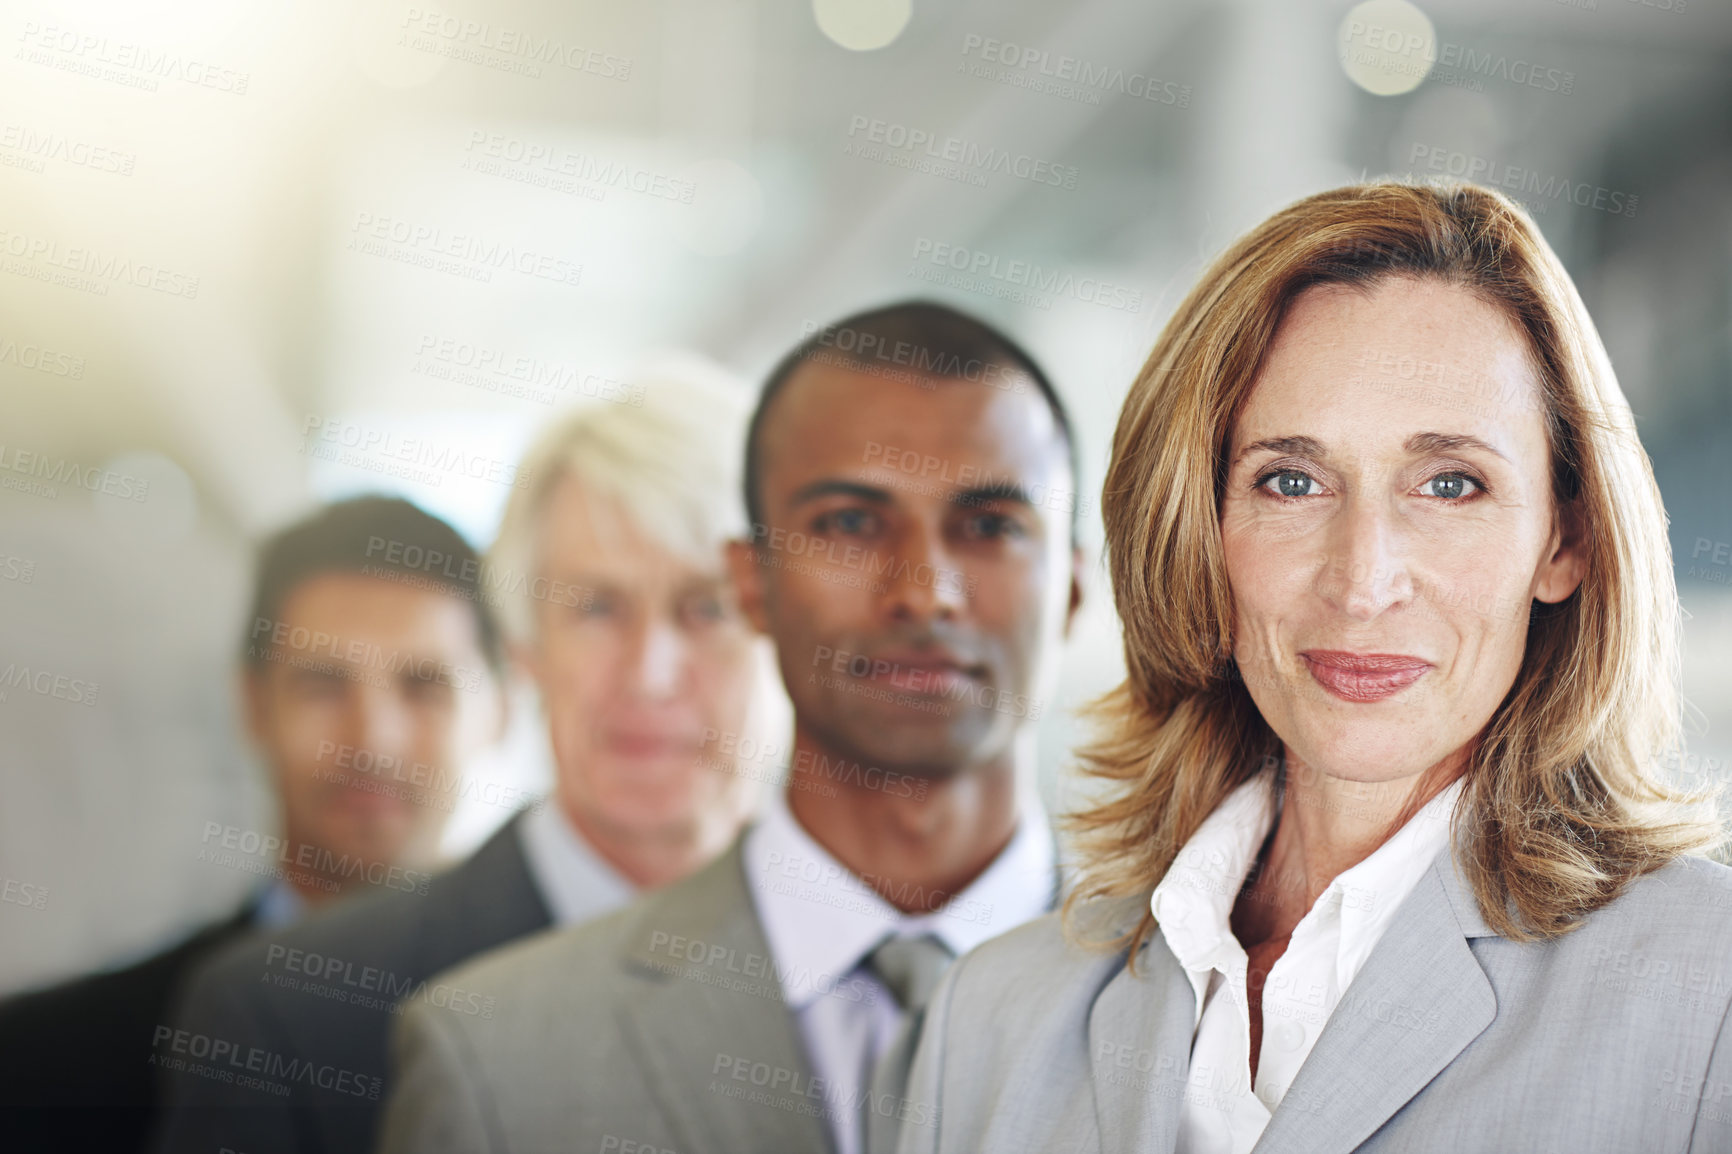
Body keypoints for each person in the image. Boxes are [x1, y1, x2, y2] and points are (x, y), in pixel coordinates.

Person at [891, 180, 1732, 1154]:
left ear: (1565, 539)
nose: (1361, 580)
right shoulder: (992, 1018)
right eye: (1289, 480)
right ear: (1197, 531)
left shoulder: (1707, 990)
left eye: (1450, 483)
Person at [377, 301, 1087, 1154]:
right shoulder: (494, 1061)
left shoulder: (1228, 1006)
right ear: (753, 583)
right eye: (852, 523)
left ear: (1076, 587)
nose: (924, 591)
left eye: (990, 527)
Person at [151, 359, 776, 1154]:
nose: (650, 673)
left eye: (708, 607)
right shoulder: (283, 1021)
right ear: (523, 647)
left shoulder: (903, 973)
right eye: (596, 606)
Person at [0, 495, 506, 1154]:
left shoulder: (567, 1028)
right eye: (324, 684)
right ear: (253, 705)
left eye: (423, 686)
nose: (372, 742)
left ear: (503, 710)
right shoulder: (44, 1067)